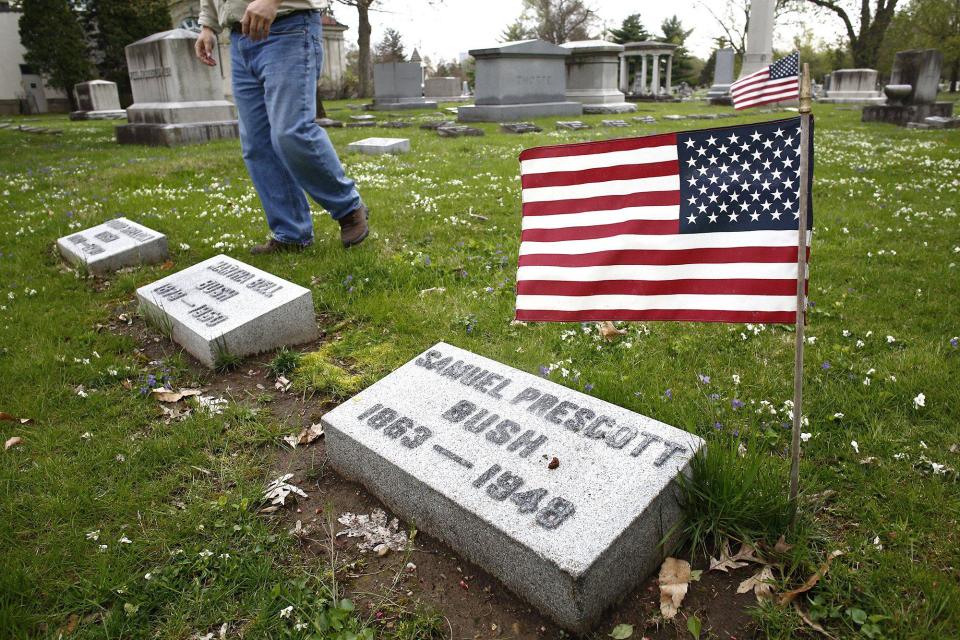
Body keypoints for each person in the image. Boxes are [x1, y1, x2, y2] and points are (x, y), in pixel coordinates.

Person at [194, 0, 369, 253]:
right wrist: (208, 26)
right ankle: (291, 232)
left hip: (288, 25)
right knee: (257, 144)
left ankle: (349, 207)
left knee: (291, 131)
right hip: (239, 38)